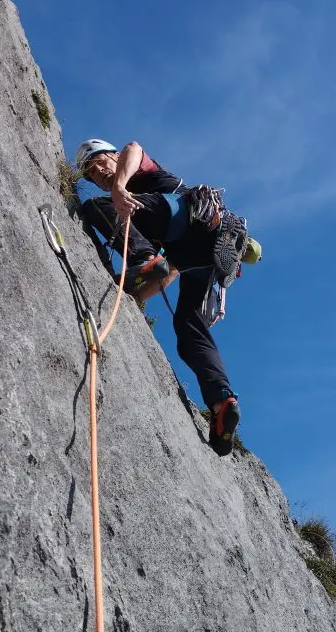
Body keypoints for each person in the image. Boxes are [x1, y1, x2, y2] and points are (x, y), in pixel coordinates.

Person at [75, 138, 257, 457]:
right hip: (200, 252)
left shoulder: (140, 175)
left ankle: (144, 253)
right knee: (188, 328)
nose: (97, 173)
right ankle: (221, 403)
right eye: (90, 174)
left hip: (189, 215)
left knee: (97, 207)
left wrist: (118, 188)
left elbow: (134, 147)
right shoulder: (137, 205)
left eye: (99, 162)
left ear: (114, 156)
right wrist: (132, 295)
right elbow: (165, 272)